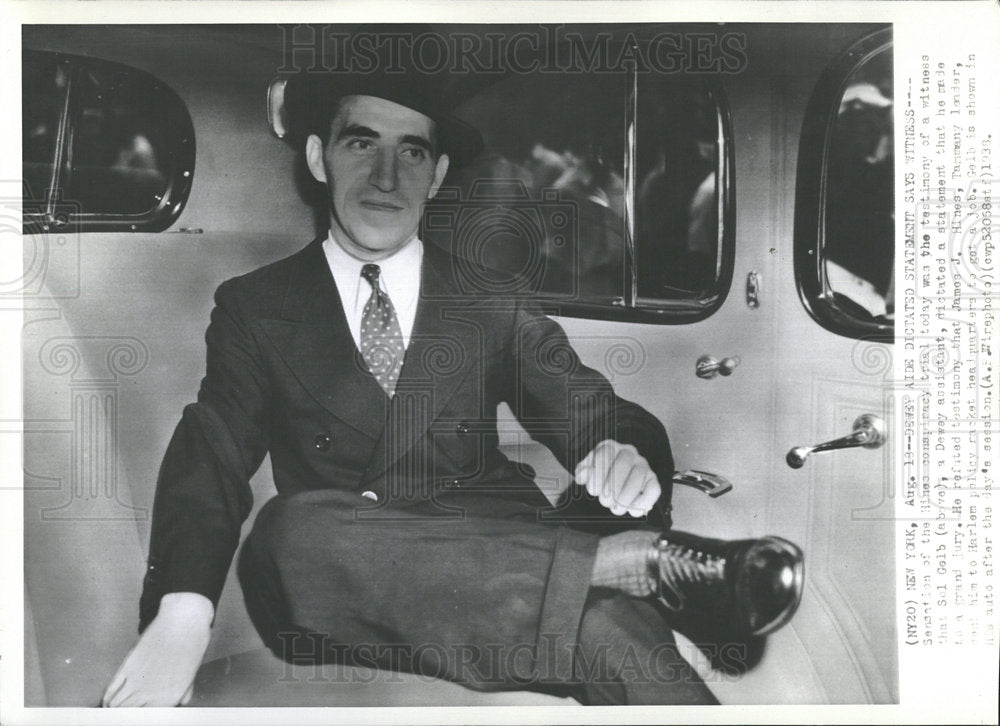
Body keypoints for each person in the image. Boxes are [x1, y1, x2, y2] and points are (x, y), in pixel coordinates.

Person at [102, 61, 804, 708]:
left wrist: (616, 448)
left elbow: (592, 409)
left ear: (436, 176)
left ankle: (623, 571)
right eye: (361, 144)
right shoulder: (255, 305)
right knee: (286, 534)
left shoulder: (485, 296)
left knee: (614, 628)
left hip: (506, 565)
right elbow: (214, 449)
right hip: (354, 584)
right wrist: (182, 611)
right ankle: (628, 568)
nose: (386, 177)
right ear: (318, 158)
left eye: (411, 152)